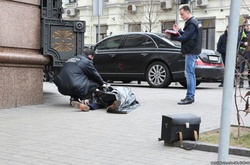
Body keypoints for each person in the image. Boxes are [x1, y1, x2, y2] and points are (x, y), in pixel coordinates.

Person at [167, 5, 202, 105]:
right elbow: (188, 35)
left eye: (182, 14)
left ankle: (190, 97)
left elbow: (184, 38)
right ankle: (191, 95)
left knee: (189, 74)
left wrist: (172, 37)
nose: (181, 16)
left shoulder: (191, 24)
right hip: (193, 51)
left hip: (191, 52)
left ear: (187, 12)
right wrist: (178, 31)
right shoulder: (194, 23)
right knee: (191, 74)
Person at [238, 19, 250, 88]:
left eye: (249, 25)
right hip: (242, 53)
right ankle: (241, 83)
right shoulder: (241, 33)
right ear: (245, 26)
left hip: (249, 53)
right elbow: (238, 42)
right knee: (241, 69)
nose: (248, 27)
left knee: (249, 69)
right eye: (247, 26)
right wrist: (243, 43)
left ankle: (249, 84)